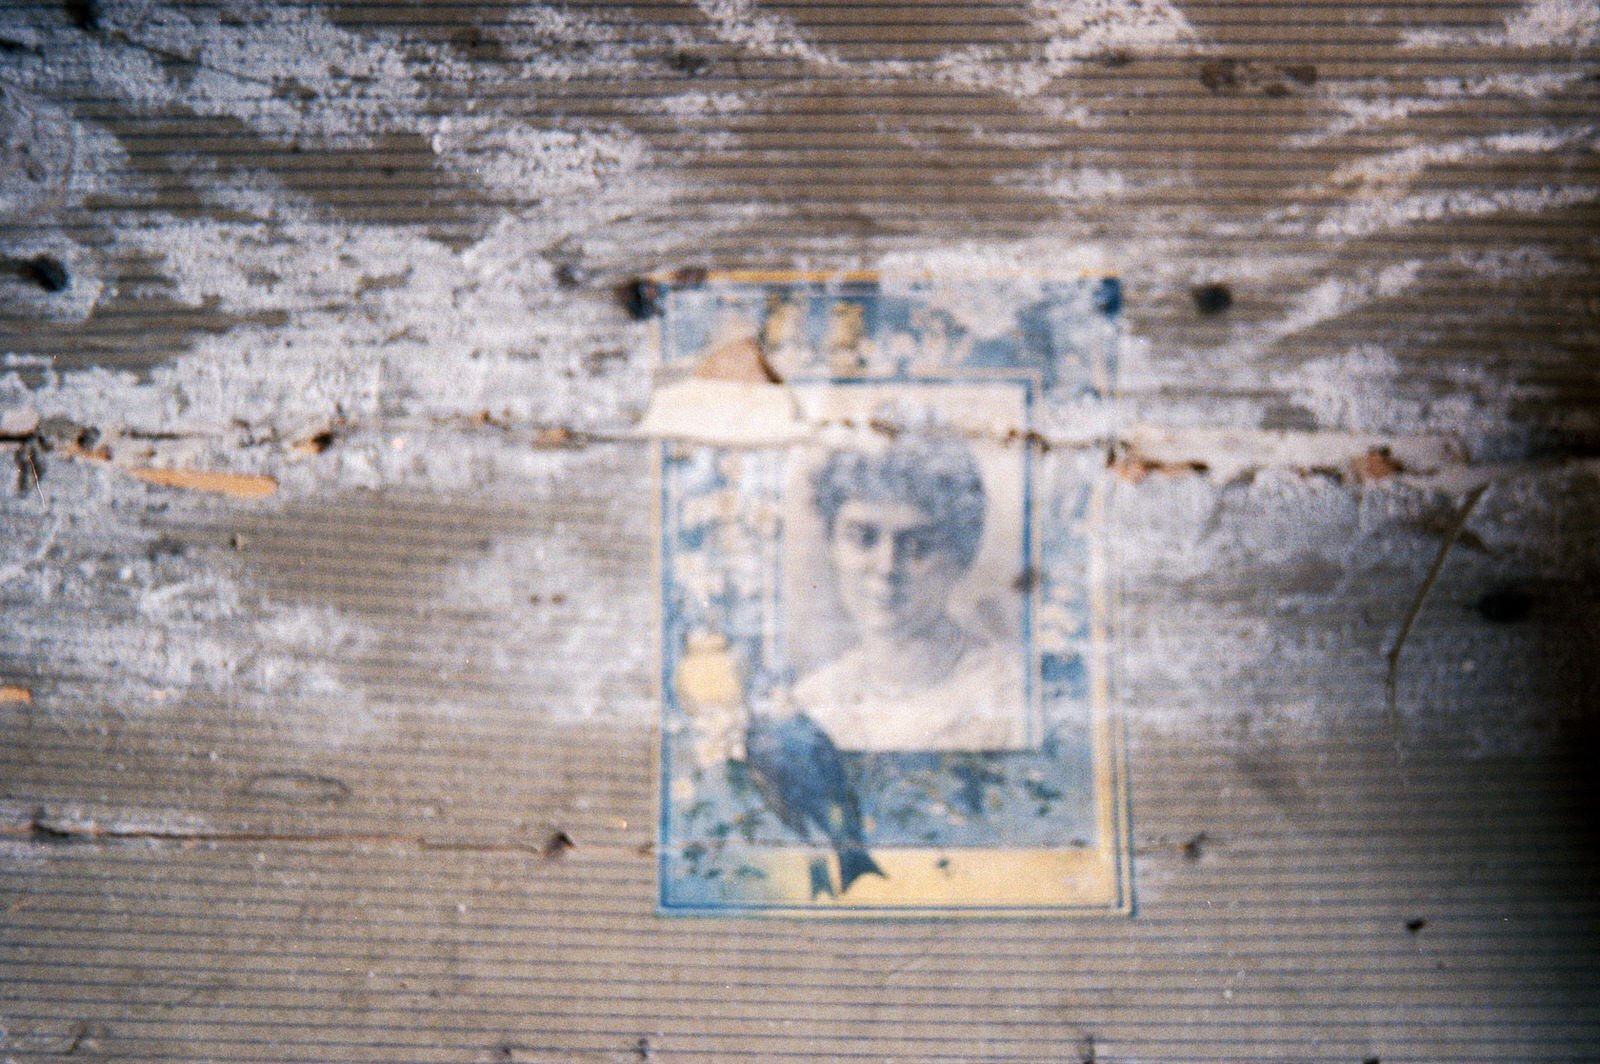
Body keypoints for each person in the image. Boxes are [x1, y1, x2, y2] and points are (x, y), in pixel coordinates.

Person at [792, 430, 1027, 751]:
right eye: (863, 538)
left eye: (918, 545)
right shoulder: (813, 702)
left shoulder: (1007, 700)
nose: (887, 567)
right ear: (832, 545)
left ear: (960, 556)